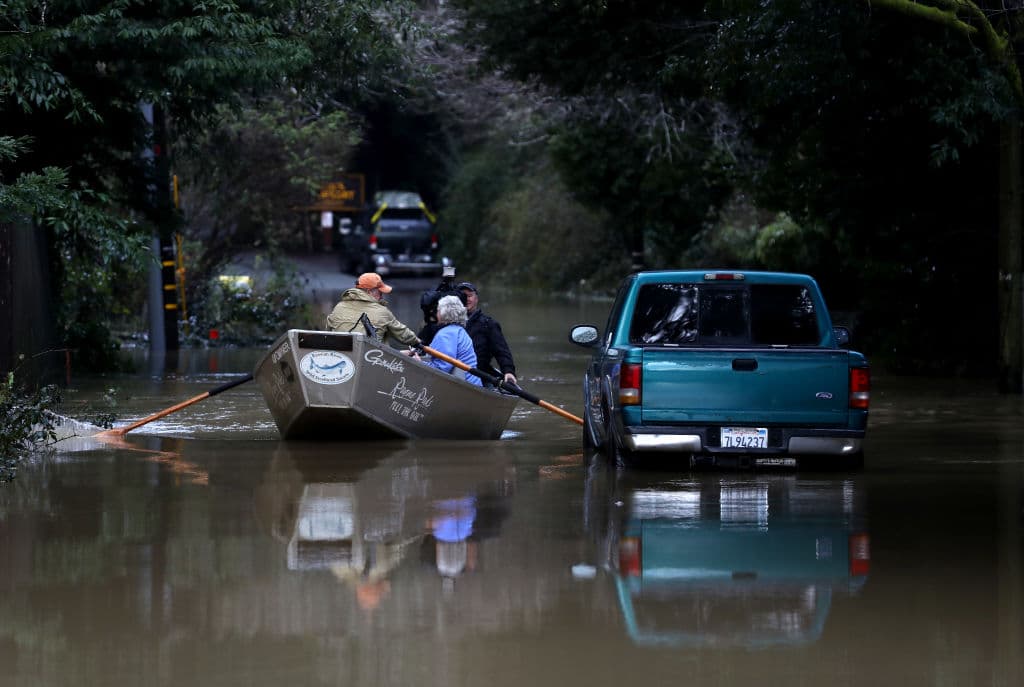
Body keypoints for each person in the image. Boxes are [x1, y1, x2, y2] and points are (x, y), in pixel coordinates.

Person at [325, 272, 420, 348]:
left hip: (344, 357)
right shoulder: (382, 312)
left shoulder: (339, 307)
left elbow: (328, 331)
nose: (382, 295)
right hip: (371, 360)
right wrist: (418, 342)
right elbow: (403, 335)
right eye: (380, 292)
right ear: (369, 292)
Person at [457, 282, 518, 386]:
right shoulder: (446, 321)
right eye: (462, 296)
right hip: (452, 370)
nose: (466, 299)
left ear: (476, 299)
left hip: (479, 374)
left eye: (470, 296)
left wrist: (508, 371)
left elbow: (502, 351)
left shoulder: (489, 324)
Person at [415, 295, 482, 386]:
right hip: (474, 383)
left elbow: (442, 368)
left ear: (444, 313)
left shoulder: (446, 334)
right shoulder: (459, 330)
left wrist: (419, 363)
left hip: (465, 387)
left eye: (438, 310)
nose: (436, 313)